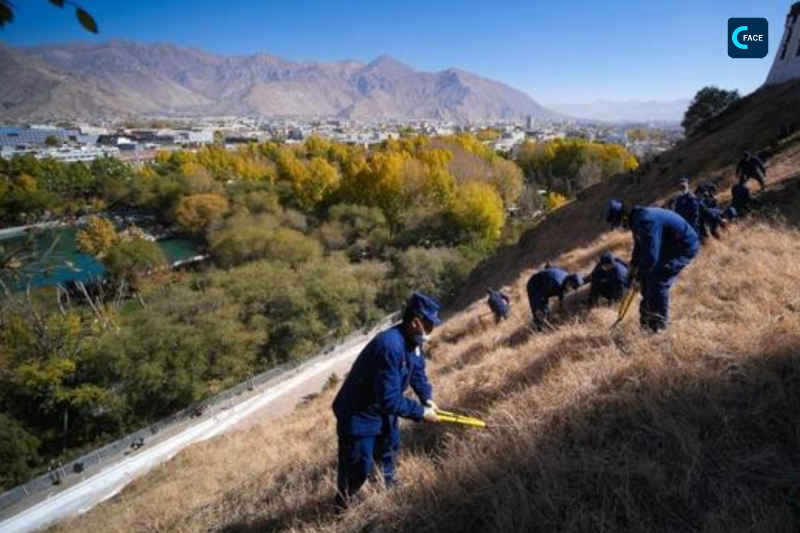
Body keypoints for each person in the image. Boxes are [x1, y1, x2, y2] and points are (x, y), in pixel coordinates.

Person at [332, 291, 440, 508]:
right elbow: (389, 399)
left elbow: (417, 371)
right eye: (429, 324)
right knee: (358, 467)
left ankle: (388, 493)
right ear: (415, 321)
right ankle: (343, 507)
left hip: (382, 409)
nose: (431, 330)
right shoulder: (389, 346)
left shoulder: (414, 342)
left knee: (388, 451)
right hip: (359, 414)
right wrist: (420, 413)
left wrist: (426, 397)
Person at [606, 199, 699, 332]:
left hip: (683, 246)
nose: (619, 228)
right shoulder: (637, 219)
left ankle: (659, 327)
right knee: (647, 282)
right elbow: (640, 247)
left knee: (658, 281)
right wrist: (632, 268)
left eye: (617, 224)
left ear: (623, 217)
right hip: (668, 245)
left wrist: (638, 277)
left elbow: (651, 257)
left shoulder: (645, 220)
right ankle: (646, 324)